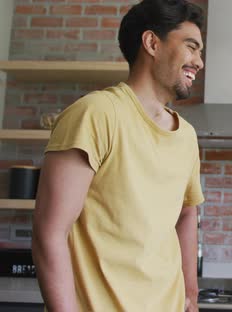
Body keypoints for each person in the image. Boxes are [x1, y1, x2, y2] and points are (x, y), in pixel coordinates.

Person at [31, 0, 205, 311]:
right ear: (152, 43)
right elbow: (50, 232)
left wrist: (190, 293)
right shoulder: (96, 114)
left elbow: (186, 213)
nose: (199, 62)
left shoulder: (187, 136)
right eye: (191, 47)